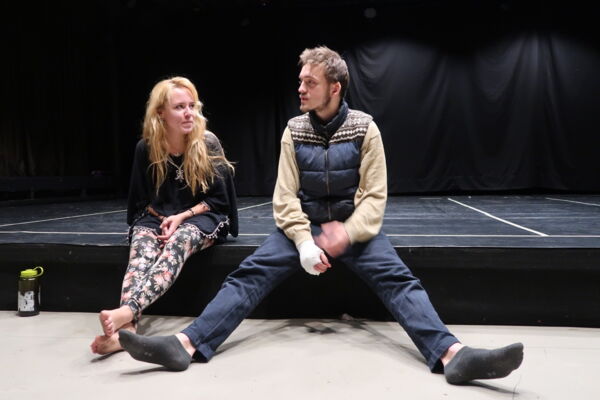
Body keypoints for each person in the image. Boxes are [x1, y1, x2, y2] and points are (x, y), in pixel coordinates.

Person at [117, 47, 523, 384]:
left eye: (309, 82)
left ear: (334, 87)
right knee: (248, 275)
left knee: (400, 281)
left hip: (353, 229)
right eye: (300, 81)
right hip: (303, 227)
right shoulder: (293, 130)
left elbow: (374, 199)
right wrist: (304, 242)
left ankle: (453, 355)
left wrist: (346, 233)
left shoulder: (365, 128)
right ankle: (185, 345)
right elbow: (284, 198)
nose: (300, 88)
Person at [90, 76, 237, 355]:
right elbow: (140, 202)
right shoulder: (146, 148)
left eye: (191, 106)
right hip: (158, 215)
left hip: (203, 216)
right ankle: (126, 333)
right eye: (179, 107)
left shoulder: (207, 142)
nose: (188, 113)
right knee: (142, 248)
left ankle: (127, 311)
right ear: (161, 113)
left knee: (180, 240)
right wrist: (160, 219)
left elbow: (220, 201)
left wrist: (181, 217)